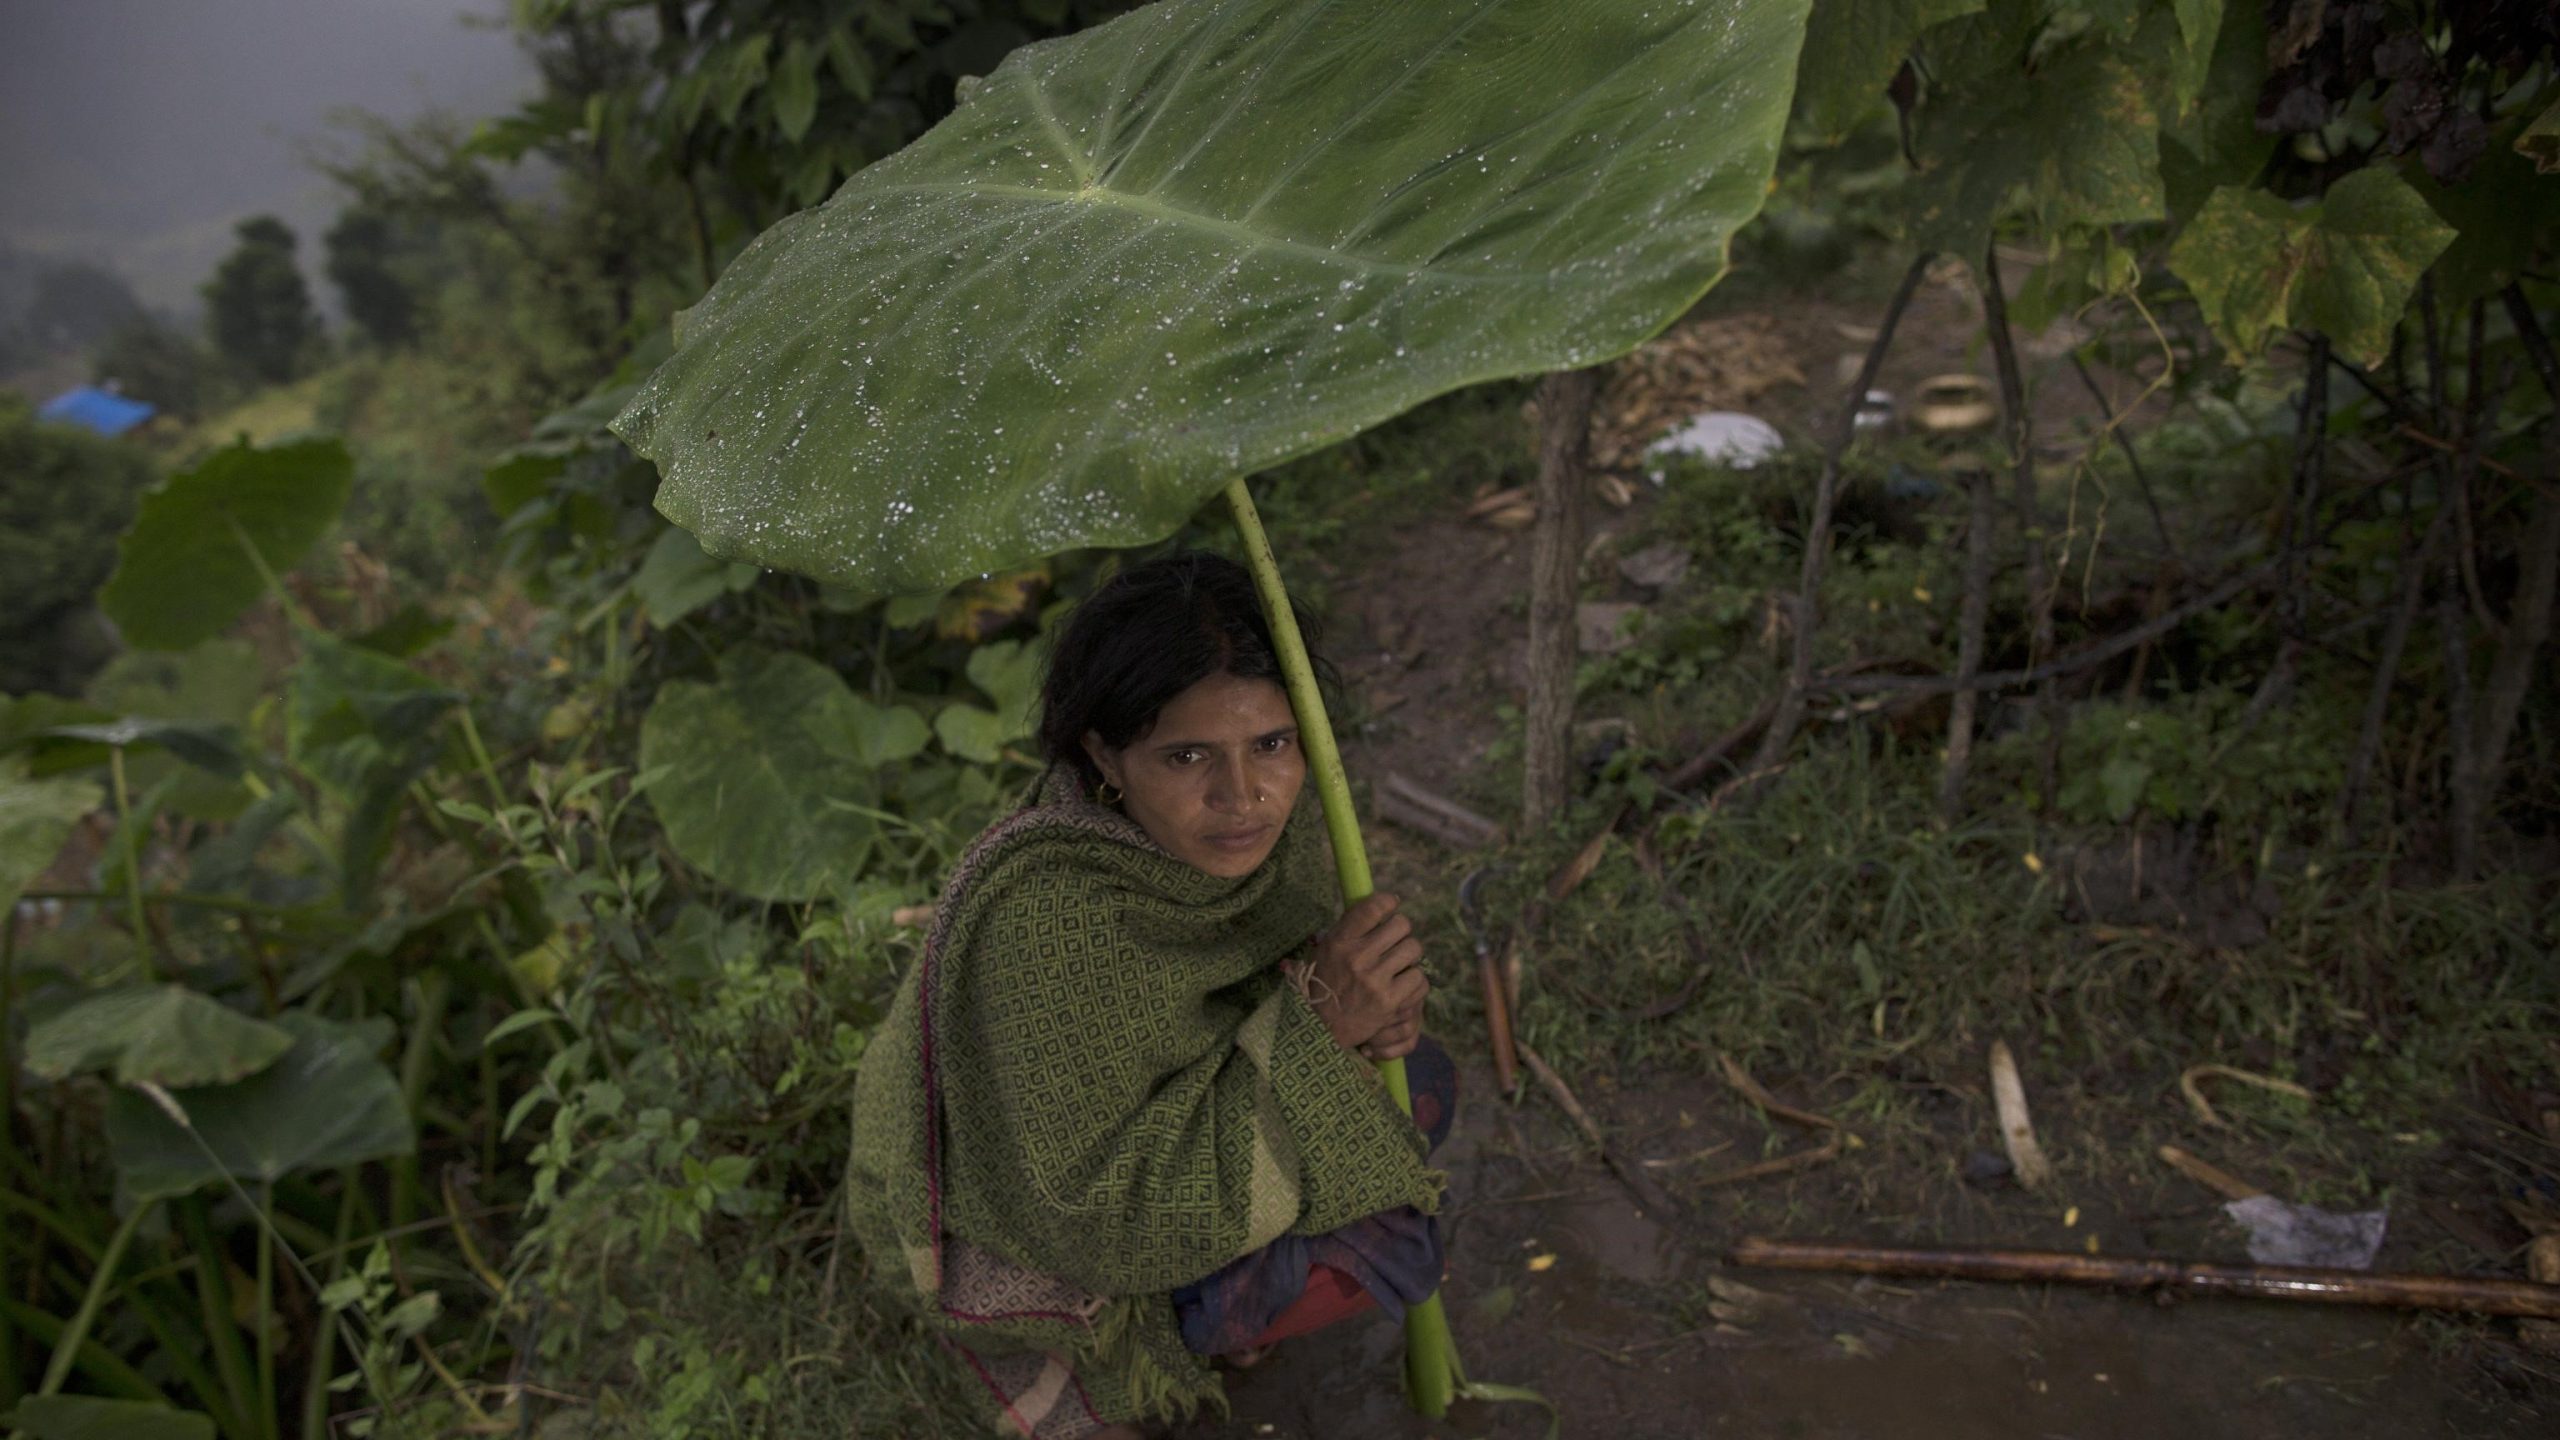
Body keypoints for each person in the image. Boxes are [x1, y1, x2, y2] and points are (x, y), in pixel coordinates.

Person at [847, 551, 1452, 1440]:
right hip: (1036, 1227)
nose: (1242, 797)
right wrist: (1326, 1024)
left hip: (1188, 1126)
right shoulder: (1050, 923)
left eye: (1272, 745)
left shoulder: (1255, 847)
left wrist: (1366, 1016)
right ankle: (1151, 1359)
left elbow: (1267, 993)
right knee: (1363, 1229)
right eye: (1187, 756)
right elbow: (1089, 1219)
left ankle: (1229, 1316)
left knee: (1422, 1084)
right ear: (1105, 756)